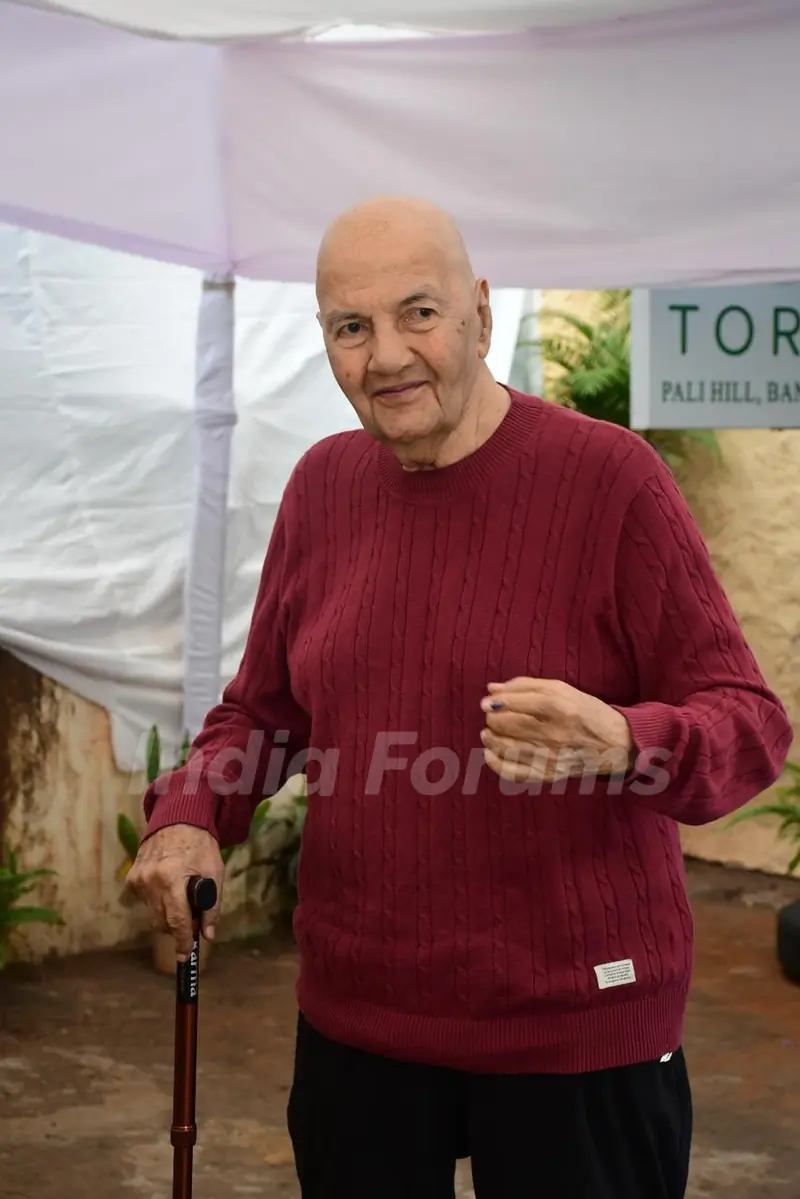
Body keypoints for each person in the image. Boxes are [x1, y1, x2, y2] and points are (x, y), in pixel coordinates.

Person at [127, 196, 794, 1199]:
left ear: (480, 312)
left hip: (575, 1022)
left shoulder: (609, 480)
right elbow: (264, 713)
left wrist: (621, 736)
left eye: (418, 313)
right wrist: (188, 815)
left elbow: (747, 723)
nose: (386, 354)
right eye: (350, 327)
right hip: (361, 1017)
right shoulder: (322, 486)